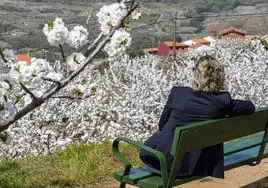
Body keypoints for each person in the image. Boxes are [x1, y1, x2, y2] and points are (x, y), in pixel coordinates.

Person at [139, 55, 255, 179]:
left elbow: (162, 125)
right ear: (220, 78)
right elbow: (250, 107)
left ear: (196, 75)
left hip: (158, 158)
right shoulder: (222, 101)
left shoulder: (178, 93)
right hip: (194, 165)